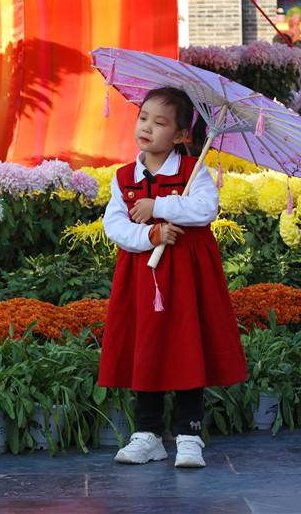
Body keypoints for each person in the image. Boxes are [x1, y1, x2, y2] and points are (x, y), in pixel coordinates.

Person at [99, 87, 246, 469]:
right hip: (142, 278)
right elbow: (113, 224)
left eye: (160, 122)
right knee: (144, 347)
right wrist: (150, 235)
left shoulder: (192, 171)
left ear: (181, 136)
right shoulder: (124, 177)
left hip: (186, 277)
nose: (147, 127)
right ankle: (147, 434)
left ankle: (189, 434)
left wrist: (159, 206)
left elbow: (205, 209)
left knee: (185, 346)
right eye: (143, 117)